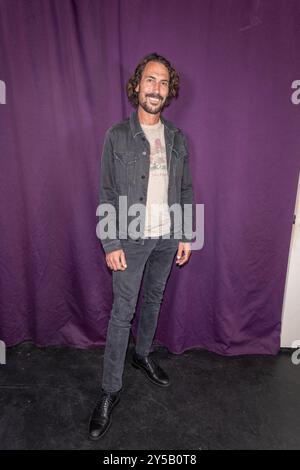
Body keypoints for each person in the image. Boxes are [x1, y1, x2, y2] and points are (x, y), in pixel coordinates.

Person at [89, 53, 194, 440]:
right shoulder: (116, 134)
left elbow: (184, 189)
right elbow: (105, 191)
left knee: (153, 300)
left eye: (164, 83)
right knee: (122, 314)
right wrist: (110, 241)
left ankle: (143, 354)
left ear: (170, 92)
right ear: (137, 86)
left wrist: (185, 234)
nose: (157, 89)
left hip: (167, 237)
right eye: (151, 80)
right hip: (129, 240)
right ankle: (109, 391)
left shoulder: (178, 138)